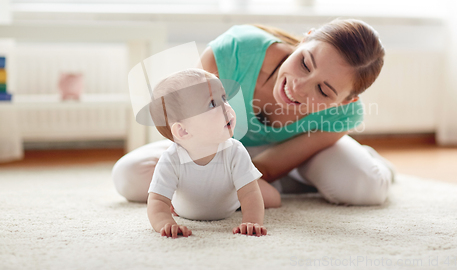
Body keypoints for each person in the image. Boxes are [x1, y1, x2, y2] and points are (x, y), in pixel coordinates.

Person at [112, 18, 396, 208]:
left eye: (323, 91)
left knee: (364, 188)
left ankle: (366, 160)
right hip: (216, 146)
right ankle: (293, 184)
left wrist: (222, 187)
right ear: (304, 40)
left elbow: (270, 168)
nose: (298, 86)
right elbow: (191, 130)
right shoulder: (234, 52)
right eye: (305, 63)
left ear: (346, 101)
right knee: (129, 176)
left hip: (298, 155)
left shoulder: (343, 115)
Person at [146, 69, 279, 238]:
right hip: (185, 211)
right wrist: (166, 223)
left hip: (231, 205)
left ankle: (260, 185)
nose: (227, 107)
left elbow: (250, 193)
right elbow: (157, 201)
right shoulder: (170, 159)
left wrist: (252, 221)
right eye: (212, 104)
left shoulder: (235, 151)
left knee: (273, 199)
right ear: (183, 131)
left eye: (224, 98)